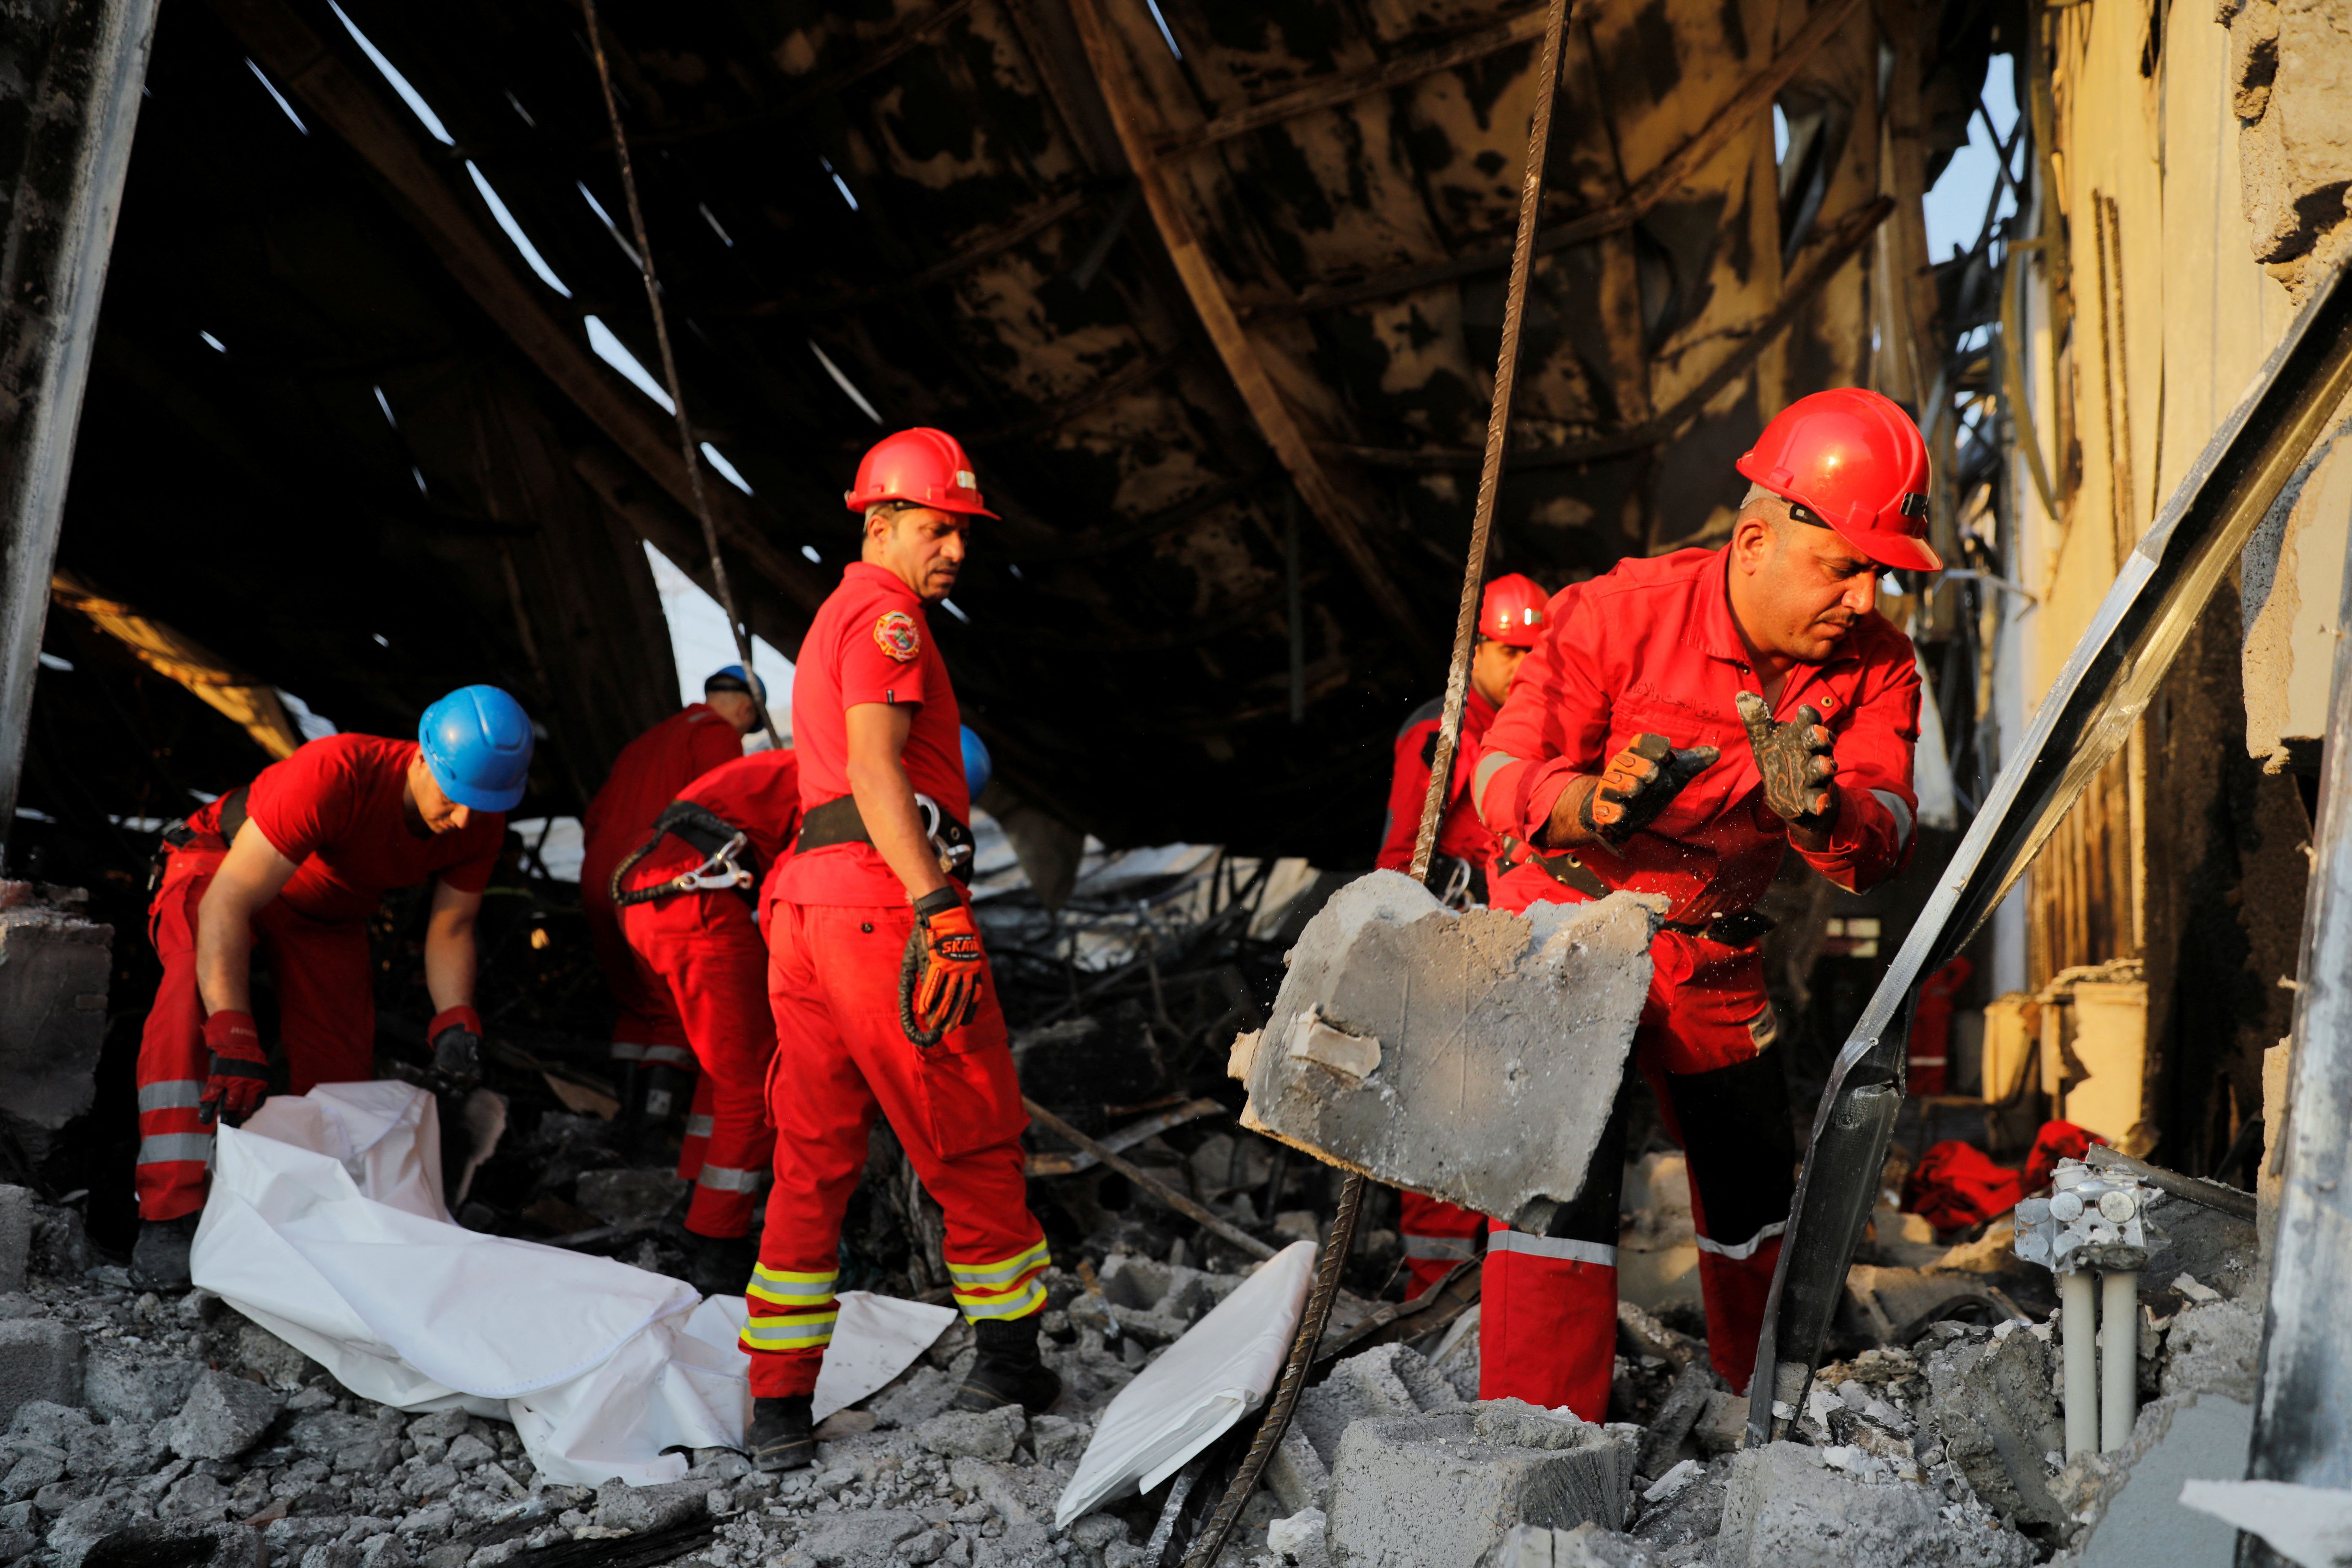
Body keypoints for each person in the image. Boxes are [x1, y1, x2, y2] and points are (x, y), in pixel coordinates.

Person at [1469, 388, 1933, 1416]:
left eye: (1878, 574)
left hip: (1712, 953)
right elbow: (1496, 778)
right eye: (1844, 567)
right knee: (1558, 1185)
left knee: (1755, 1186)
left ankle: (1762, 1400)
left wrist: (1821, 811)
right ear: (1757, 538)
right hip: (1571, 929)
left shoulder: (1880, 667)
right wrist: (1587, 803)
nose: (1863, 599)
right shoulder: (1612, 614)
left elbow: (1887, 835)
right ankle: (1539, 1435)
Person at [742, 429, 1054, 1472]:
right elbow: (877, 769)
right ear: (878, 521)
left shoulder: (828, 617)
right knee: (965, 1126)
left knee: (812, 1157)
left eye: (962, 532)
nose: (954, 549)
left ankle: (777, 1407)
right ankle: (1009, 1360)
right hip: (880, 910)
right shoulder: (887, 617)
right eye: (935, 526)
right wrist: (939, 902)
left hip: (805, 910)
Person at [131, 686, 534, 1290]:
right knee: (191, 997)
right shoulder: (337, 771)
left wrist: (455, 1015)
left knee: (340, 1077)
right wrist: (234, 1027)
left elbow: (451, 926)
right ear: (422, 758)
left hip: (325, 909)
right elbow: (227, 904)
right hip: (223, 867)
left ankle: (304, 1225)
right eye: (455, 800)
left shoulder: (479, 819)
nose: (465, 820)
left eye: (485, 804)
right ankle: (169, 1214)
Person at [1373, 573, 1548, 1298]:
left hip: (1505, 952)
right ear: (1476, 650)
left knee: (1492, 1118)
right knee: (1439, 1122)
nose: (1524, 668)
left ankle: (1481, 1279)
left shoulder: (1524, 728)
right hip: (1446, 953)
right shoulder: (1438, 734)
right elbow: (1401, 855)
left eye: (1534, 654)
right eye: (1510, 653)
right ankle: (1432, 1285)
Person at [614, 746, 802, 1295]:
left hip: (646, 894)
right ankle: (718, 1239)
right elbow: (791, 892)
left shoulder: (794, 763)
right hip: (694, 902)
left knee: (720, 1065)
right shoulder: (846, 777)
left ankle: (693, 1199)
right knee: (755, 1077)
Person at [581, 669, 767, 1134]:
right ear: (747, 710)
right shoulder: (716, 734)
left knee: (633, 1005)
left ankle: (621, 1119)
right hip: (654, 883)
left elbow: (595, 816)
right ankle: (654, 1132)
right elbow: (725, 813)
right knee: (673, 1012)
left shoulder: (641, 744)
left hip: (601, 879)